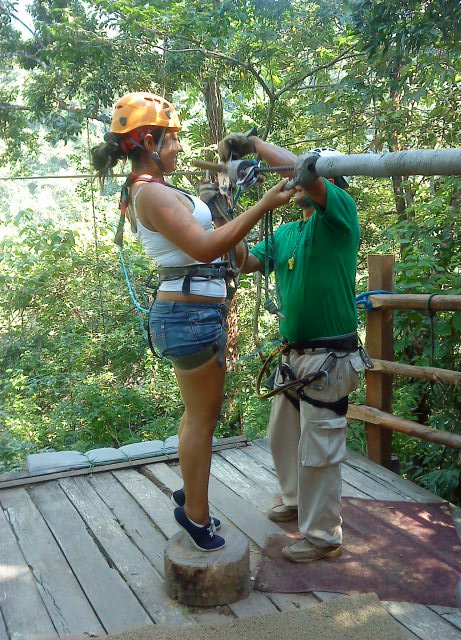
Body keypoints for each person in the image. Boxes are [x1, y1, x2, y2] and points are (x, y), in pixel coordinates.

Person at [92, 93, 294, 552]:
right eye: (173, 139)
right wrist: (261, 206)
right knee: (202, 420)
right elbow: (204, 250)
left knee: (196, 417)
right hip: (190, 315)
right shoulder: (152, 193)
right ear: (149, 141)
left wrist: (223, 200)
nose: (179, 147)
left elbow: (206, 239)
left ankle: (191, 494)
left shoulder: (151, 190)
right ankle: (196, 517)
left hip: (190, 312)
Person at [218, 132, 364, 562]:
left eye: (312, 180)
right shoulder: (285, 233)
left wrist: (254, 144)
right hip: (293, 354)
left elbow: (304, 171)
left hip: (328, 356)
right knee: (282, 435)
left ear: (330, 186)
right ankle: (296, 501)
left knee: (319, 445)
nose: (299, 184)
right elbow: (244, 260)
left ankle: (323, 535)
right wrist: (225, 210)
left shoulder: (340, 218)